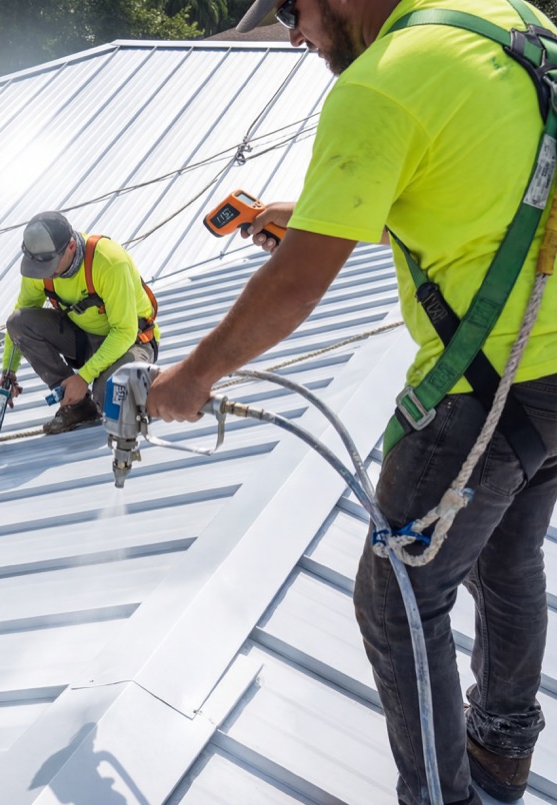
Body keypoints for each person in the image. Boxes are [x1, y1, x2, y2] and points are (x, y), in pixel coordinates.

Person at [146, 0, 557, 801]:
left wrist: (193, 376)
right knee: (508, 558)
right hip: (553, 375)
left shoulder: (379, 84)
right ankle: (502, 745)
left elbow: (299, 283)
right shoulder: (511, 21)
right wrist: (303, 218)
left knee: (397, 597)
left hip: (491, 393)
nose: (294, 31)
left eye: (293, 10)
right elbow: (469, 190)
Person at [0, 211, 159, 434]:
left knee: (110, 398)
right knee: (19, 322)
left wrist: (83, 377)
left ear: (71, 247)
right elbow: (19, 322)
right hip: (85, 339)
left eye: (51, 266)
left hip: (132, 341)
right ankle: (78, 406)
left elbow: (124, 331)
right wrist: (9, 372)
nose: (45, 274)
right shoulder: (39, 267)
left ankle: (147, 388)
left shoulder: (109, 262)